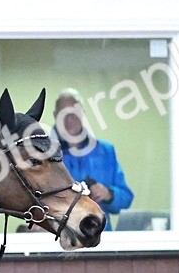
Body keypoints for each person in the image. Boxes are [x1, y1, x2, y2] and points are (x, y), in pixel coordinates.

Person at [52, 88, 134, 231]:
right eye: (64, 113)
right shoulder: (44, 154)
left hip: (100, 236)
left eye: (74, 113)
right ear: (55, 116)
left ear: (82, 114)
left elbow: (126, 198)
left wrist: (108, 194)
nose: (69, 119)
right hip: (60, 237)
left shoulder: (106, 151)